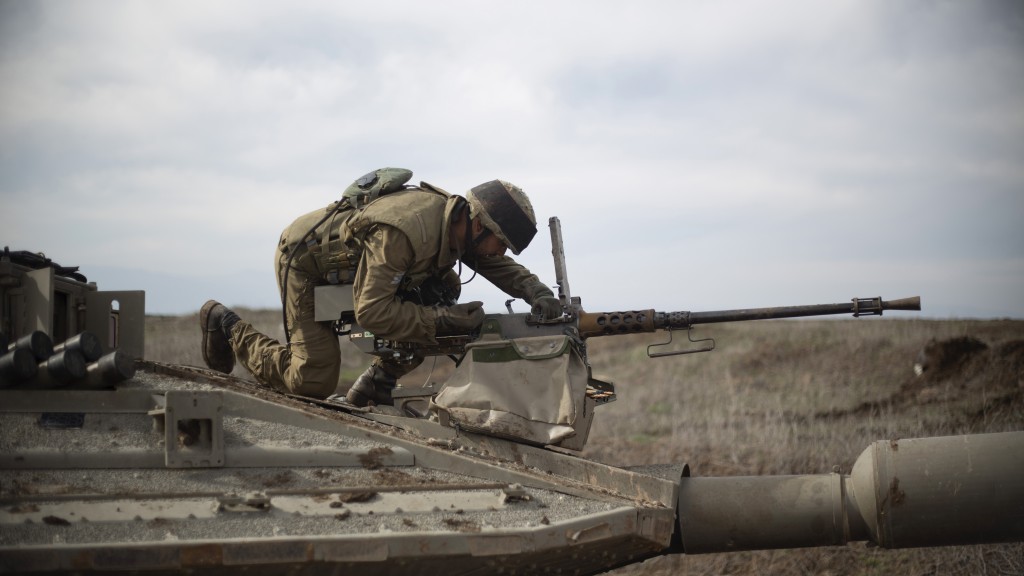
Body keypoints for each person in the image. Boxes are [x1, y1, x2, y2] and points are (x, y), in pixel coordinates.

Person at [199, 170, 561, 407]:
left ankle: (377, 383)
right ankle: (225, 324)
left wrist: (537, 292)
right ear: (479, 224)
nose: (500, 252)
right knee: (311, 380)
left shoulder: (457, 227)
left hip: (362, 272)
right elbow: (373, 312)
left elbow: (496, 264)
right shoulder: (406, 232)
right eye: (501, 243)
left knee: (440, 293)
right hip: (307, 264)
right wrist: (441, 318)